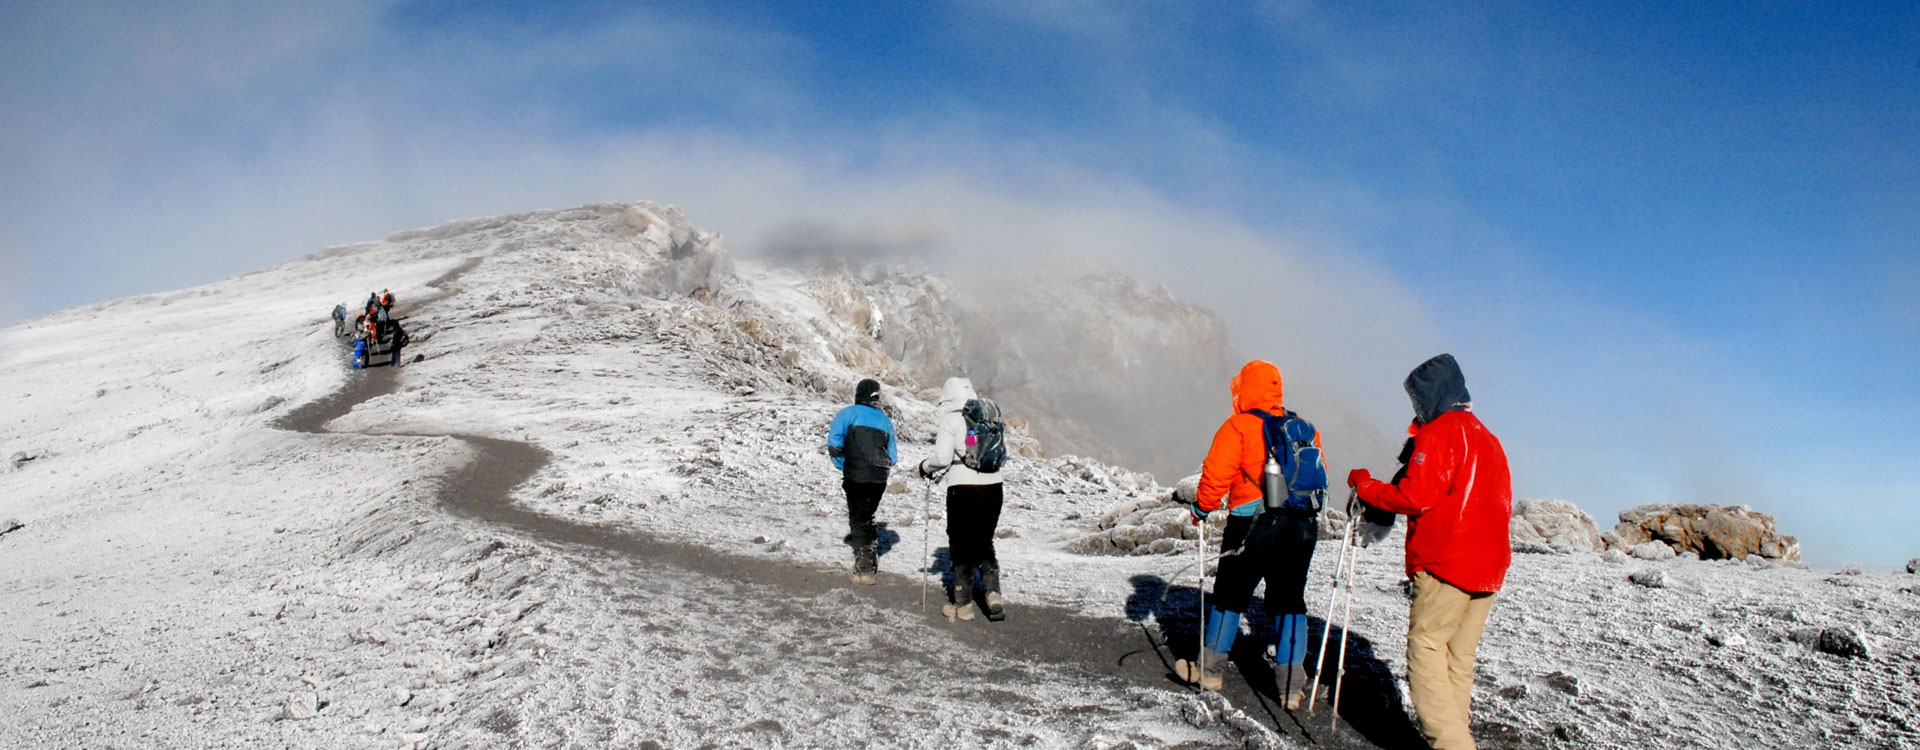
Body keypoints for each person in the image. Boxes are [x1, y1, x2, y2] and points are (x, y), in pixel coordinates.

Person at [1347, 354, 1511, 750]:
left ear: (1431, 396)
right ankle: (1458, 735)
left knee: (1427, 649)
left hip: (1446, 563)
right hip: (1488, 566)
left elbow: (1415, 496)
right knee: (1459, 657)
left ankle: (1454, 745)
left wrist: (1365, 486)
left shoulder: (1439, 434)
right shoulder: (1488, 438)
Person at [1172, 360, 1326, 705]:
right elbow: (1319, 473)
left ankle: (1209, 672)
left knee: (1230, 595)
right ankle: (1291, 688)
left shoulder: (1239, 426)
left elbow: (1216, 474)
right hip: (1302, 527)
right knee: (1290, 601)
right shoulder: (1304, 428)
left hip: (1253, 523)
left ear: (1244, 388)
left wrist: (1202, 509)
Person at [917, 377, 1006, 622]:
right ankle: (994, 593)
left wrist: (924, 467)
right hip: (994, 487)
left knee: (960, 544)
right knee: (984, 540)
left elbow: (942, 458)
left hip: (962, 489)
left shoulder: (951, 420)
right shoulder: (988, 419)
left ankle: (963, 605)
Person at [826, 379, 897, 585]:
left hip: (856, 473)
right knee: (868, 514)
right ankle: (870, 554)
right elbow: (892, 456)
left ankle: (864, 566)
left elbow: (834, 443)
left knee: (858, 517)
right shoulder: (884, 420)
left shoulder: (847, 414)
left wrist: (843, 465)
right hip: (879, 476)